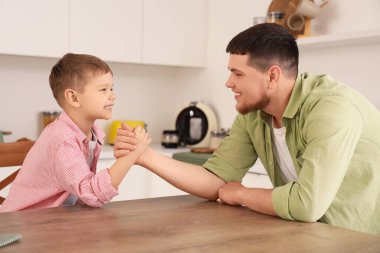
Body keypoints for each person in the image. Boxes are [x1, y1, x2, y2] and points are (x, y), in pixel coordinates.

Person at [114, 23, 380, 235]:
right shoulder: (254, 113)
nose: (229, 83)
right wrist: (145, 156)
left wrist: (241, 193)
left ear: (272, 76)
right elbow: (216, 181)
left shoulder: (330, 108)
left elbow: (307, 205)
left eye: (238, 74)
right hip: (313, 234)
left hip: (361, 238)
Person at [0, 53, 151, 212]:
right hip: (25, 225)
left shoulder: (92, 134)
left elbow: (83, 198)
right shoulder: (62, 138)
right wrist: (131, 154)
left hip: (55, 221)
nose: (113, 95)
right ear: (74, 98)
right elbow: (92, 194)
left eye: (111, 88)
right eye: (103, 89)